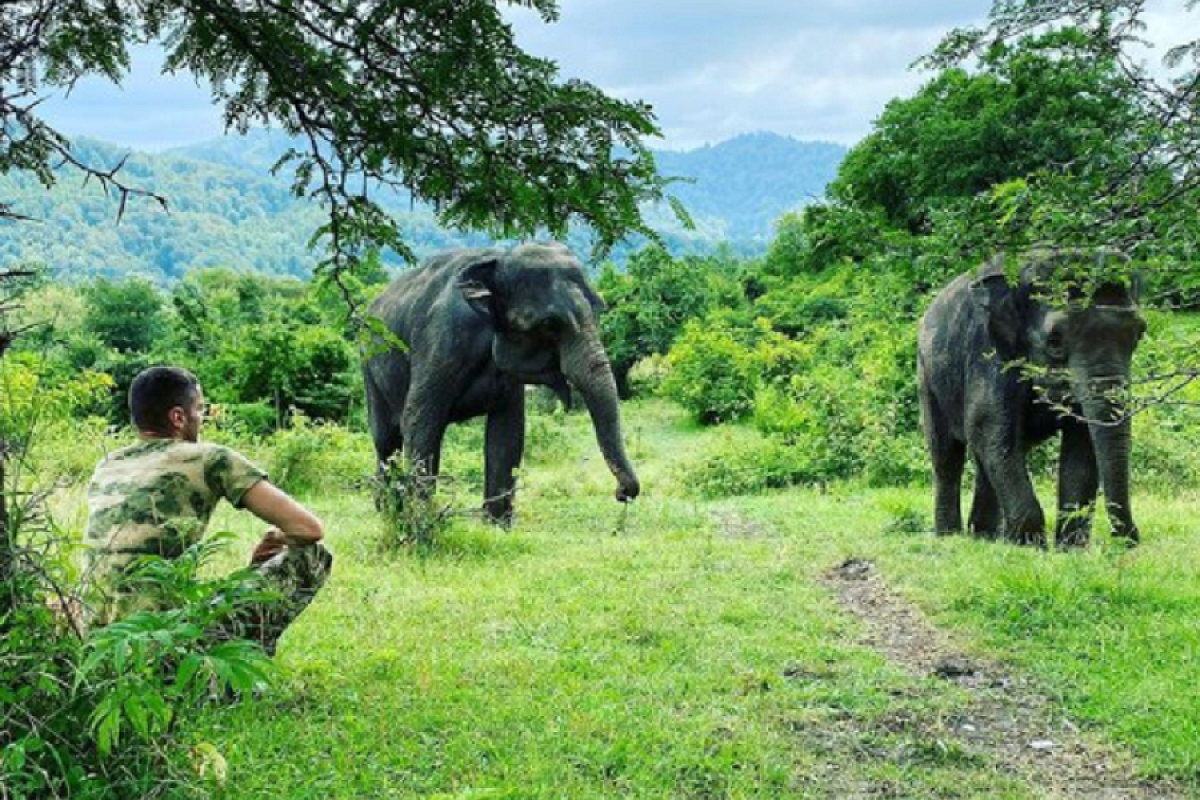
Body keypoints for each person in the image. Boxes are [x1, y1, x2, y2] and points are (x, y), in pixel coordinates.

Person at [81, 366, 332, 655]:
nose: (201, 419)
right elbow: (309, 529)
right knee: (312, 556)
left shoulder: (108, 464)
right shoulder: (210, 458)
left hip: (97, 642)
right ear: (178, 417)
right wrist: (275, 539)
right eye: (200, 410)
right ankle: (232, 678)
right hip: (160, 643)